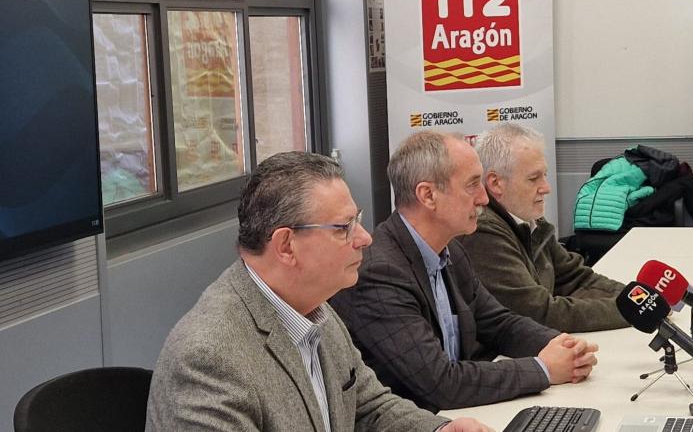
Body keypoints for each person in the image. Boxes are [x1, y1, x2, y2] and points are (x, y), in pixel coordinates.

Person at [146, 151, 492, 432]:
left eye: (357, 220)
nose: (365, 238)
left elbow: (368, 407)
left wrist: (439, 431)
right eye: (344, 228)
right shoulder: (208, 357)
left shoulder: (315, 309)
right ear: (286, 245)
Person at [331, 131, 599, 412]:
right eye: (472, 185)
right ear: (428, 195)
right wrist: (544, 369)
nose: (484, 198)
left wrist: (563, 347)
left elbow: (498, 323)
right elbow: (441, 385)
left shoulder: (451, 250)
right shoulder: (380, 273)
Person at [459, 123, 629, 332]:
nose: (546, 188)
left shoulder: (529, 219)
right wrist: (631, 310)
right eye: (533, 179)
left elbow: (574, 278)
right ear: (495, 183)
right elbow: (539, 314)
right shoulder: (482, 232)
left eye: (545, 175)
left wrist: (636, 297)